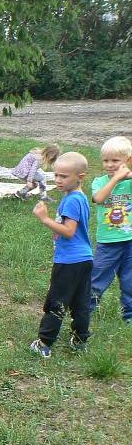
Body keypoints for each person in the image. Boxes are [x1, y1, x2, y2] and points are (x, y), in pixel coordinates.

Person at [29, 152, 93, 359]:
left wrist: (44, 219)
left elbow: (69, 231)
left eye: (64, 176)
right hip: (84, 259)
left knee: (56, 301)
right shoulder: (80, 197)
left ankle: (44, 343)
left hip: (69, 261)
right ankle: (80, 339)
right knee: (80, 301)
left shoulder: (72, 201)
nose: (58, 180)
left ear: (80, 177)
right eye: (56, 175)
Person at [89, 136, 132, 323]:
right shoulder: (100, 182)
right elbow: (99, 199)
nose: (109, 164)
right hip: (108, 243)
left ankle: (129, 315)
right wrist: (115, 178)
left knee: (130, 281)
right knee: (97, 279)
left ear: (128, 161)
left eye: (115, 161)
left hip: (130, 241)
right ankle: (86, 310)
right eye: (106, 160)